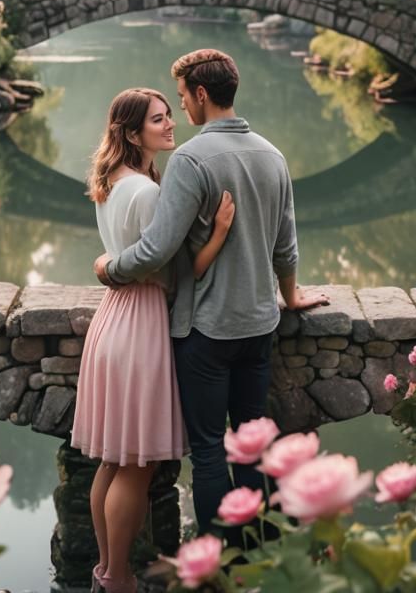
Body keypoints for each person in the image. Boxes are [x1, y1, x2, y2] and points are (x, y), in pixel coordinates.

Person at [94, 49, 328, 536]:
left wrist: (110, 268)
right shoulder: (273, 155)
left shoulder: (189, 160)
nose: (181, 109)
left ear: (202, 94)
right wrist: (290, 297)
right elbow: (286, 246)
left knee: (207, 453)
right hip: (260, 325)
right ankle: (255, 556)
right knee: (251, 445)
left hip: (204, 331)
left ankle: (219, 564)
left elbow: (157, 250)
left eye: (181, 98)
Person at [73, 87, 235, 593]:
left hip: (113, 320)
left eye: (169, 115)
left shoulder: (114, 181)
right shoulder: (147, 192)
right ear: (131, 131)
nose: (170, 126)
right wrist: (219, 234)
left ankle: (105, 570)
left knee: (114, 460)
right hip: (141, 323)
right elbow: (177, 276)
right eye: (158, 120)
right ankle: (119, 577)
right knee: (137, 466)